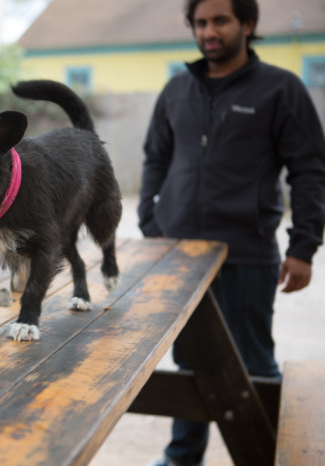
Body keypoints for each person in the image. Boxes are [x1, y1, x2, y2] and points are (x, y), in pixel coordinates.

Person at [138, 0, 325, 464]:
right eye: (201, 23)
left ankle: (268, 454)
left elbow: (310, 171)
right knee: (189, 362)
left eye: (220, 20)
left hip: (245, 254)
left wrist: (303, 247)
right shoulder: (177, 89)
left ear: (248, 24)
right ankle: (183, 456)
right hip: (179, 256)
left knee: (254, 365)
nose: (209, 31)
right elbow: (155, 158)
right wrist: (149, 221)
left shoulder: (281, 89)